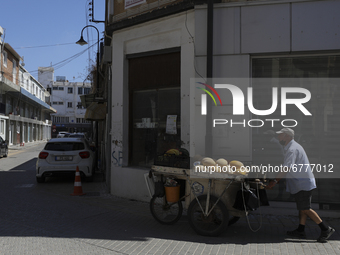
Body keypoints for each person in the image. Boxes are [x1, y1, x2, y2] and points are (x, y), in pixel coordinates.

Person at [266, 128, 335, 243]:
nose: (278, 137)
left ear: (287, 136)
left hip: (303, 183)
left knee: (305, 208)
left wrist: (274, 181)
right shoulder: (291, 147)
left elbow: (286, 168)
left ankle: (325, 229)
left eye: (280, 135)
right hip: (301, 182)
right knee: (302, 208)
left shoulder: (292, 149)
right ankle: (301, 230)